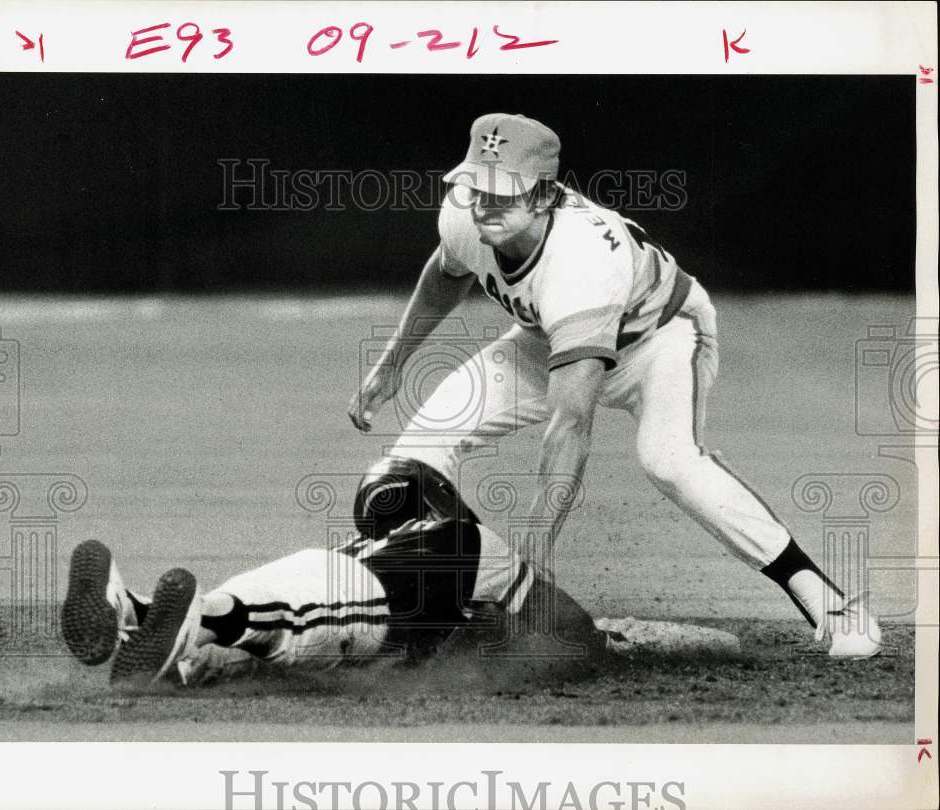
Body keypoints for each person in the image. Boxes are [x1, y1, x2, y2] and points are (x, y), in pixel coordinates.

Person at [348, 112, 881, 657]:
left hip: (659, 340)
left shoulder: (581, 260)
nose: (485, 202)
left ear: (544, 195)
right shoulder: (465, 216)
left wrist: (529, 573)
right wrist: (392, 365)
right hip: (546, 339)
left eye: (504, 191)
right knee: (406, 469)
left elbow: (570, 426)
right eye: (476, 185)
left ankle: (832, 603)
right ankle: (440, 606)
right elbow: (446, 272)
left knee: (669, 460)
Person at [60, 515, 603, 685]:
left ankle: (133, 608)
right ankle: (190, 623)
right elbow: (575, 635)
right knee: (276, 626)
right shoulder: (469, 542)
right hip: (356, 605)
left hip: (311, 574)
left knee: (242, 642)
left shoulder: (373, 538)